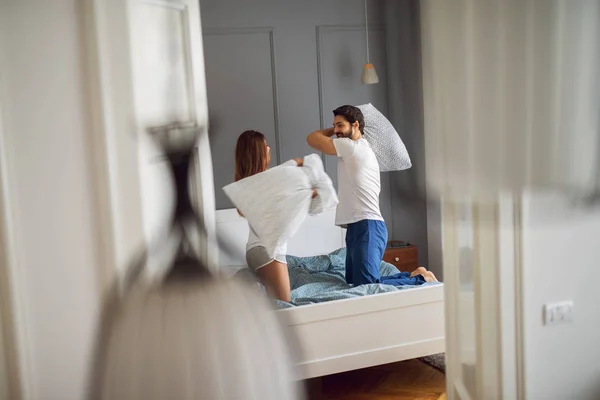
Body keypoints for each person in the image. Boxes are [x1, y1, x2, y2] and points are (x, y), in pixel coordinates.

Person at [306, 105, 437, 286]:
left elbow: (312, 139)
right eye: (334, 126)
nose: (336, 130)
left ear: (356, 125)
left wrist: (334, 132)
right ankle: (414, 276)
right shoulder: (357, 147)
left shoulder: (352, 147)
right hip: (357, 226)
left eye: (340, 125)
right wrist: (342, 129)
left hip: (368, 225)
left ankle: (420, 279)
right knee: (355, 283)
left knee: (366, 287)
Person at [234, 130, 316, 302]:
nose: (269, 148)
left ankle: (252, 285)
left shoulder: (247, 183)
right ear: (258, 152)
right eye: (265, 145)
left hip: (253, 251)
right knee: (283, 305)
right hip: (269, 252)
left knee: (274, 300)